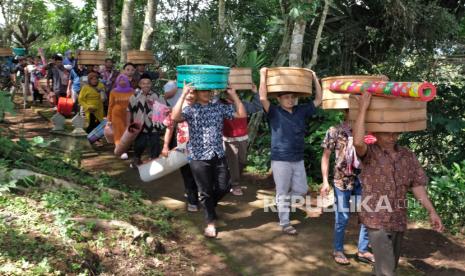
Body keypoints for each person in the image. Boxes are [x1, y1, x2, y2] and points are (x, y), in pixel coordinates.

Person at [353, 91, 444, 276]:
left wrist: (431, 211)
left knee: (388, 265)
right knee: (386, 269)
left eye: (395, 131)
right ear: (376, 131)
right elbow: (357, 141)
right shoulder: (370, 153)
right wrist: (363, 107)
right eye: (387, 131)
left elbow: (417, 186)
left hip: (398, 218)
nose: (392, 135)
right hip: (375, 217)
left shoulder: (408, 156)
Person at [172, 83, 246, 238]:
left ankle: (209, 206)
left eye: (209, 90)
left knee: (224, 186)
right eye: (203, 90)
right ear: (197, 93)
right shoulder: (191, 110)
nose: (207, 92)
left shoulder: (218, 108)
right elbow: (175, 117)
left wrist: (233, 95)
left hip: (218, 154)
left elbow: (241, 114)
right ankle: (210, 222)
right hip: (198, 157)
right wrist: (184, 94)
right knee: (205, 191)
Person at [258, 67, 322, 235]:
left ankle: (281, 203)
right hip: (280, 158)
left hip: (298, 158)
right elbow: (263, 97)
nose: (290, 100)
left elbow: (319, 99)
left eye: (293, 97)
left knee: (301, 190)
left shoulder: (301, 110)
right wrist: (262, 75)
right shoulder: (274, 112)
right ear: (279, 99)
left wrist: (314, 77)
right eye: (286, 97)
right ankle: (285, 222)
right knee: (282, 190)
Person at [320, 109, 374, 265]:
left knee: (367, 214)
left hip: (363, 178)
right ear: (345, 111)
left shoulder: (369, 131)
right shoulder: (334, 131)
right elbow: (326, 156)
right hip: (341, 179)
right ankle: (338, 249)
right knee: (342, 217)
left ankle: (363, 250)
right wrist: (325, 180)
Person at [162, 88, 199, 212]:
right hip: (183, 149)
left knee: (200, 174)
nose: (190, 95)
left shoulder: (203, 108)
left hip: (201, 148)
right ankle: (193, 200)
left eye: (193, 93)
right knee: (188, 174)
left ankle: (195, 193)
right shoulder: (176, 109)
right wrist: (165, 146)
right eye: (187, 92)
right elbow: (169, 129)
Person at [222, 84, 262, 196]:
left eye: (235, 91)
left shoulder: (242, 104)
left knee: (242, 161)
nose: (234, 92)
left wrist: (255, 92)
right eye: (230, 90)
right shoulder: (221, 105)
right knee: (233, 162)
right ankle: (235, 185)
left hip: (242, 138)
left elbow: (257, 107)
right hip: (229, 139)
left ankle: (230, 182)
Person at [127, 74, 166, 167]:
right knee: (139, 144)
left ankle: (155, 162)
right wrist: (128, 124)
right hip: (139, 125)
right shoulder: (134, 96)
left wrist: (154, 107)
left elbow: (164, 109)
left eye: (148, 83)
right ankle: (136, 159)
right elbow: (129, 111)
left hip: (154, 126)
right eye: (143, 83)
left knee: (155, 144)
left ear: (151, 84)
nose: (146, 85)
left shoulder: (157, 95)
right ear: (140, 84)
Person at [107, 74, 135, 160]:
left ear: (127, 81)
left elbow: (134, 104)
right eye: (120, 80)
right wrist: (109, 118)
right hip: (117, 114)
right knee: (118, 132)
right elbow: (110, 105)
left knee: (127, 131)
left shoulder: (131, 91)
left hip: (128, 114)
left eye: (124, 80)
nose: (122, 82)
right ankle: (122, 151)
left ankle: (125, 147)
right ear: (117, 81)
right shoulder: (113, 92)